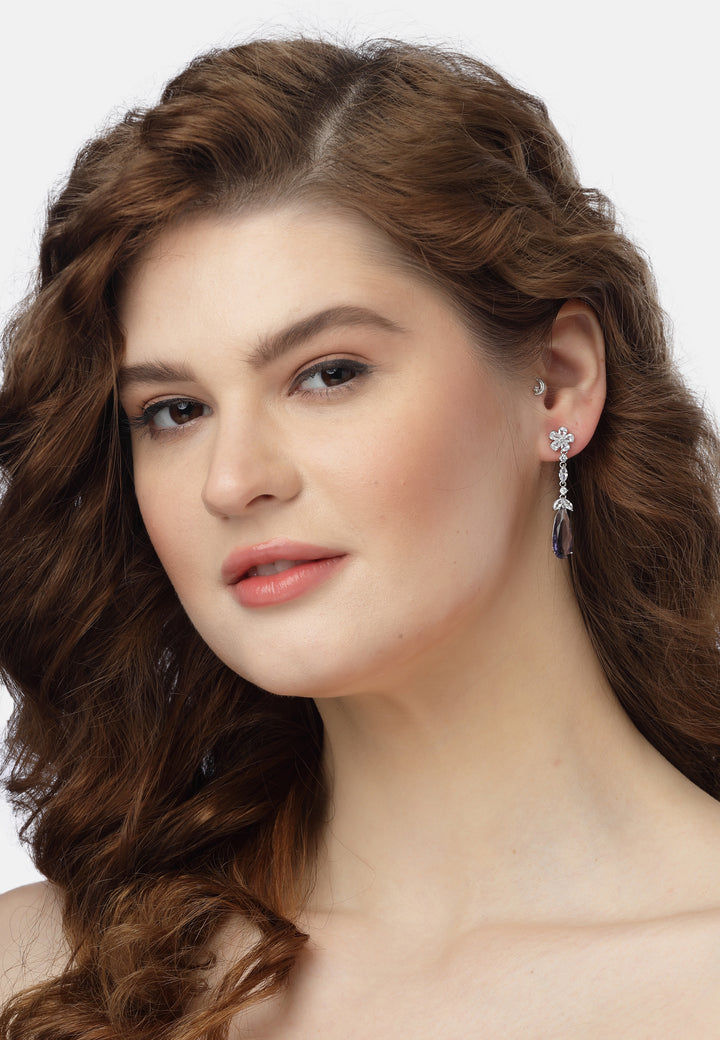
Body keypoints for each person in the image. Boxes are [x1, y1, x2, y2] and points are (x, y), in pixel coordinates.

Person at [2, 35, 720, 1040]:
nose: (232, 480)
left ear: (556, 384)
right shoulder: (38, 974)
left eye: (328, 374)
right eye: (174, 411)